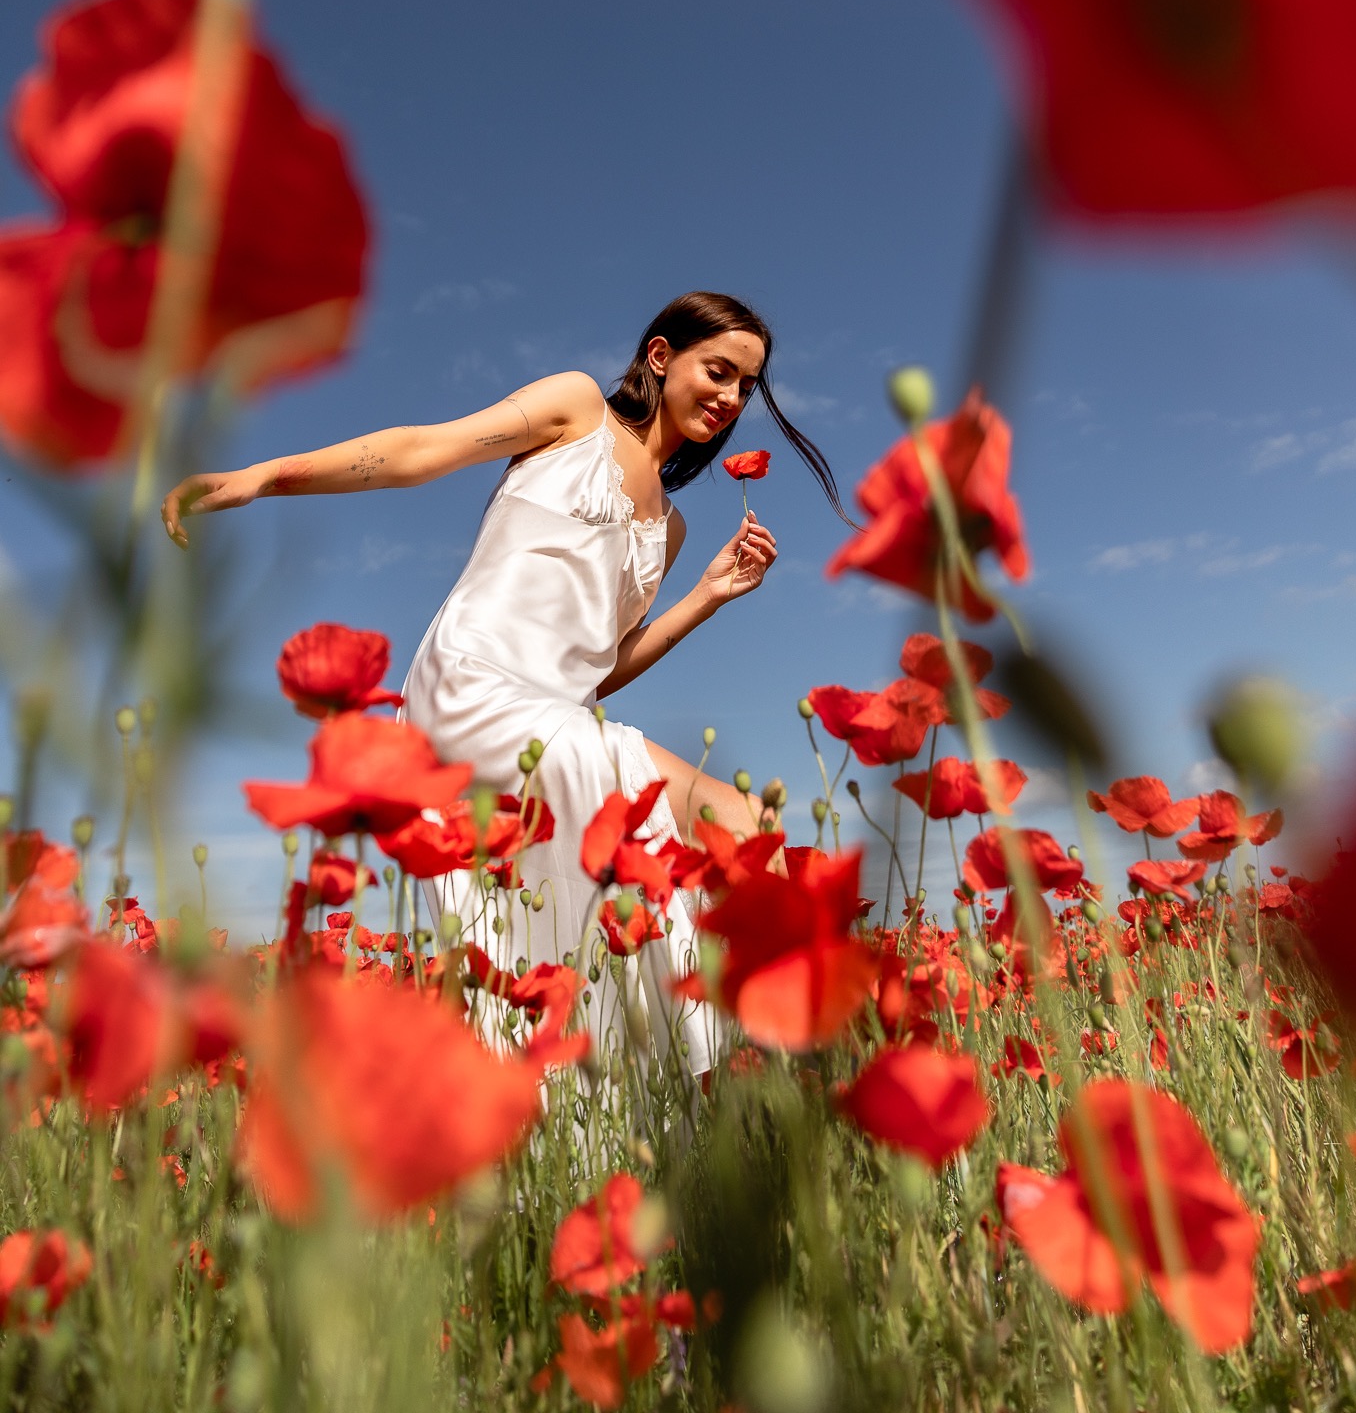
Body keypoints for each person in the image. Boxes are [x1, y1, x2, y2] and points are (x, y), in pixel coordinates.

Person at [161, 291, 844, 1080]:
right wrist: (269, 475)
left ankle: (728, 1074)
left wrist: (706, 597)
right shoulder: (576, 409)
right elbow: (423, 450)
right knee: (699, 828)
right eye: (718, 371)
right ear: (661, 357)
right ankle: (773, 1067)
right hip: (471, 686)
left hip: (552, 720)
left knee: (741, 824)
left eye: (746, 387)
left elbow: (598, 668)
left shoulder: (674, 528)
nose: (730, 399)